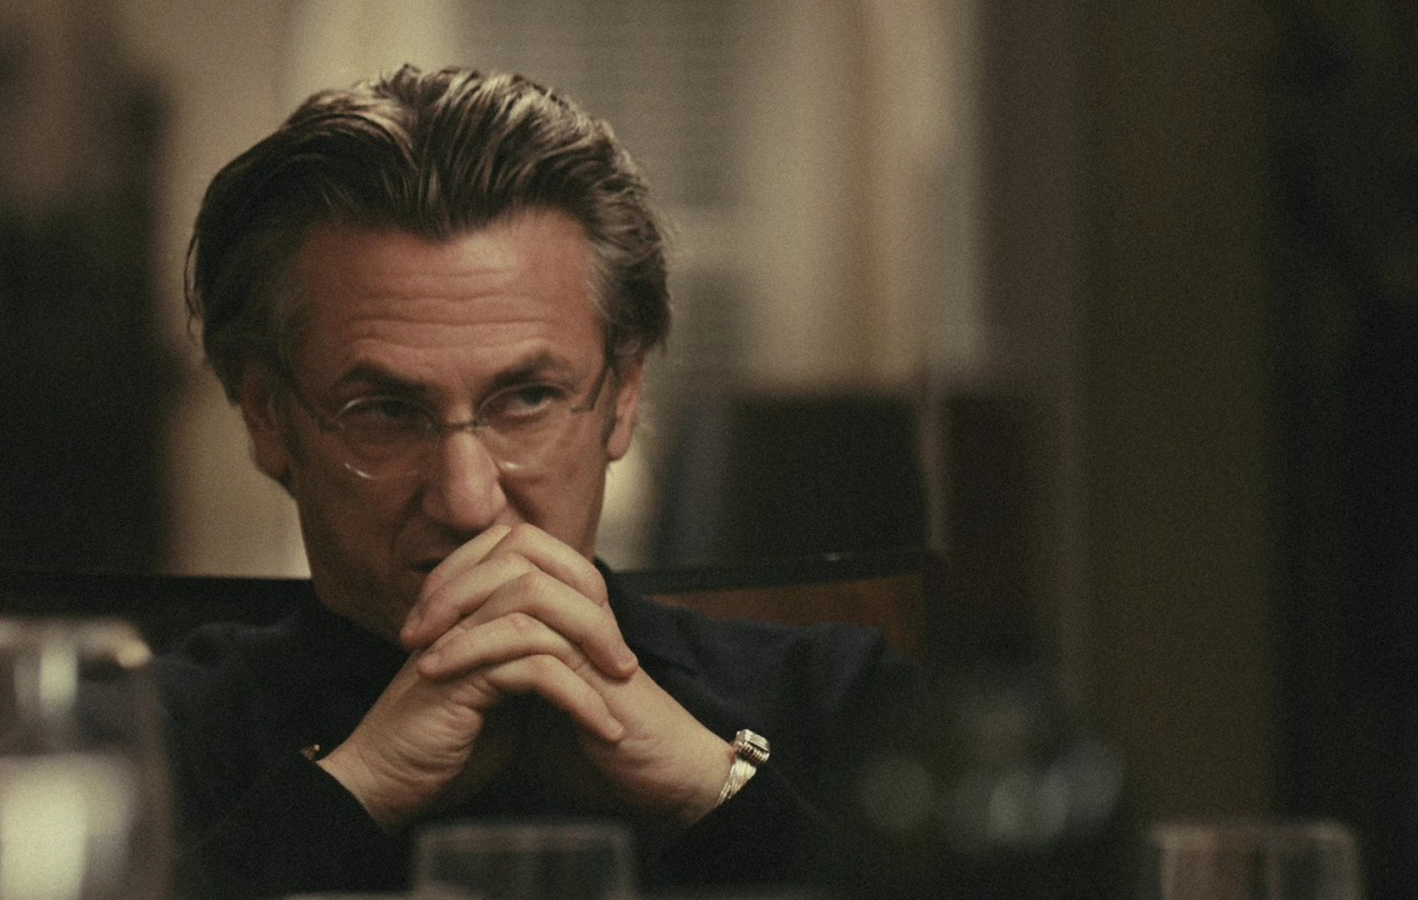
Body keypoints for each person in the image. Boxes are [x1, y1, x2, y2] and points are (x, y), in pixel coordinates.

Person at [158, 64, 918, 899]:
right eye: (386, 411)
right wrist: (352, 792)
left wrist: (714, 791)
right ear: (268, 418)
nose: (467, 500)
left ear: (622, 397)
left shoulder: (839, 702)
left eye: (526, 399)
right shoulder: (148, 742)